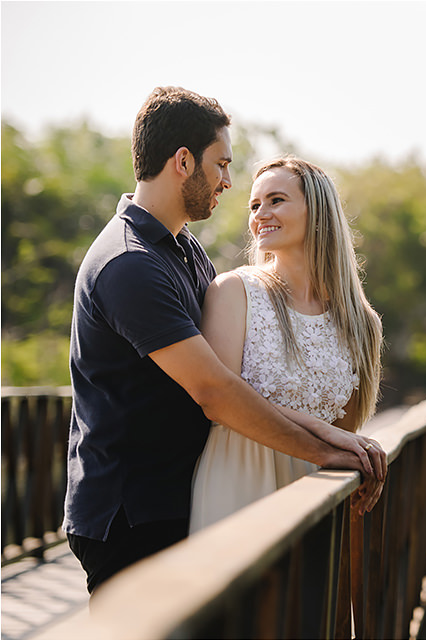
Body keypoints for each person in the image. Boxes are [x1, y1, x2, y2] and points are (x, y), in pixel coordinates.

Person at [64, 87, 385, 598]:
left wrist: (334, 441)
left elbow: (236, 379)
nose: (229, 182)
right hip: (131, 510)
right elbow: (216, 391)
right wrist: (327, 451)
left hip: (177, 496)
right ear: (184, 161)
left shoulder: (185, 251)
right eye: (222, 164)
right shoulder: (130, 264)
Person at [190, 156, 384, 533]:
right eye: (255, 205)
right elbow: (217, 404)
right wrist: (321, 432)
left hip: (318, 492)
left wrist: (355, 457)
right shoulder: (234, 292)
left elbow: (346, 430)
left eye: (276, 200)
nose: (261, 213)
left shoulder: (361, 323)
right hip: (237, 485)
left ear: (319, 211)